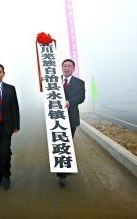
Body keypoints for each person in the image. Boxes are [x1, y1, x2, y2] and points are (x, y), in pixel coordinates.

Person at [57, 59, 85, 187]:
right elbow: (45, 92)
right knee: (58, 144)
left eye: (69, 66)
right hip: (56, 119)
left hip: (71, 118)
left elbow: (81, 97)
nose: (67, 68)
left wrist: (70, 102)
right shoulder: (54, 81)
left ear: (74, 69)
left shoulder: (79, 83)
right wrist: (42, 82)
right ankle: (62, 175)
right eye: (65, 66)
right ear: (61, 68)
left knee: (67, 144)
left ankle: (65, 169)